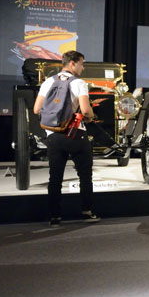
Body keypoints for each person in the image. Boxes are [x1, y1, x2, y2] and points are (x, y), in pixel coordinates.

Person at [32, 50, 99, 226]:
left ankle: (55, 216)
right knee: (85, 176)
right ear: (72, 64)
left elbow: (36, 109)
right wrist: (91, 116)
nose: (83, 68)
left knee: (55, 177)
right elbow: (85, 110)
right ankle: (87, 211)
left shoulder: (48, 82)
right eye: (81, 64)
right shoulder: (79, 83)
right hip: (75, 134)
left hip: (53, 135)